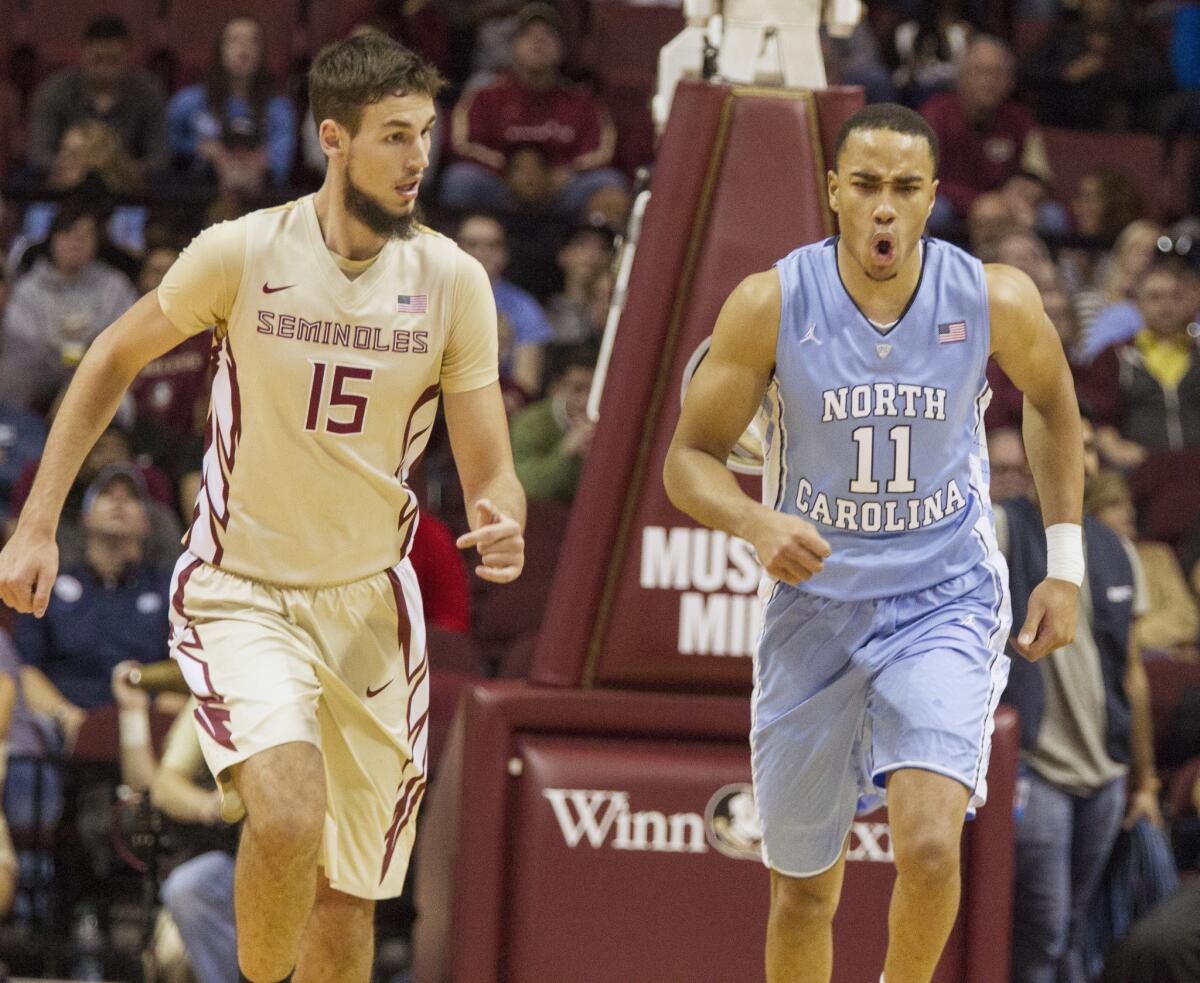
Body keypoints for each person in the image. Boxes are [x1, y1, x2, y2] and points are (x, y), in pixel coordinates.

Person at [0, 31, 525, 983]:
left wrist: (503, 514)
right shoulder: (244, 251)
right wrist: (38, 521)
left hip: (370, 603)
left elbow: (489, 462)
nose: (419, 158)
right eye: (396, 136)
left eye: (426, 135)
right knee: (286, 816)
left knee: (345, 898)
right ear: (334, 137)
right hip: (243, 591)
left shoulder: (453, 281)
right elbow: (113, 357)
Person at [663, 103, 1084, 983]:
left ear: (933, 196)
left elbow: (1051, 399)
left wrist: (1066, 561)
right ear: (833, 192)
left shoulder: (991, 295)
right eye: (865, 187)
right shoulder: (769, 303)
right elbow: (689, 460)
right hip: (816, 610)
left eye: (903, 188)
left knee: (929, 844)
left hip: (945, 595)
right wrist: (752, 519)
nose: (883, 208)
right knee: (804, 893)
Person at [995, 430, 1161, 983]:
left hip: (1106, 772)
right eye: (1065, 439)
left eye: (1088, 446)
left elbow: (1132, 675)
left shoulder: (1119, 550)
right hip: (1035, 764)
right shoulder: (1003, 527)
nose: (1077, 453)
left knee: (1075, 922)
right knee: (1043, 926)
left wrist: (1145, 781)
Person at [441, 2, 628, 218]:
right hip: (501, 188)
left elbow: (602, 151)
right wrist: (510, 171)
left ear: (562, 49)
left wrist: (563, 172)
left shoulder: (582, 102)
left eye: (548, 35)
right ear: (513, 47)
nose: (538, 41)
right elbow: (463, 144)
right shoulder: (486, 96)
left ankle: (585, 249)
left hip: (562, 190)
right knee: (461, 180)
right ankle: (475, 244)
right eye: (527, 35)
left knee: (609, 183)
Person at [13, 464, 171, 717]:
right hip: (62, 726)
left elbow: (187, 668)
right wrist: (67, 716)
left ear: (146, 523)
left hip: (150, 724)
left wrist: (155, 724)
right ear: (85, 517)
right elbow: (26, 670)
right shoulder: (48, 586)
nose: (119, 499)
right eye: (107, 493)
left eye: (131, 496)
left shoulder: (169, 587)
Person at [0, 202, 138, 414]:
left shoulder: (114, 285)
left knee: (121, 391)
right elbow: (20, 343)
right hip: (39, 376)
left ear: (96, 242)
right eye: (68, 233)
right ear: (52, 239)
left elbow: (126, 337)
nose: (76, 242)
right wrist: (61, 357)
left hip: (98, 374)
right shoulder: (28, 289)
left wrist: (82, 366)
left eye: (85, 235)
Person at [919, 36, 1053, 236]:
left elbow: (1037, 172)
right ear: (961, 76)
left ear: (1010, 81)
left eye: (998, 74)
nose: (988, 82)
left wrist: (1030, 189)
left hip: (1006, 204)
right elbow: (923, 178)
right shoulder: (934, 114)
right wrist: (975, 201)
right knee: (936, 211)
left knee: (1053, 216)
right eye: (980, 72)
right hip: (951, 201)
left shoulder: (1021, 119)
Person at [166, 15, 298, 193]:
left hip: (260, 197)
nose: (243, 49)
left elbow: (281, 161)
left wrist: (256, 163)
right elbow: (166, 142)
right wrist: (202, 150)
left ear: (263, 53)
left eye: (253, 42)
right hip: (197, 195)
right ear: (219, 50)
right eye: (234, 41)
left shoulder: (279, 108)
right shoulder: (188, 101)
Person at [26, 16, 167, 180]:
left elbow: (160, 158)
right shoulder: (55, 91)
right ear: (83, 53)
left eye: (113, 59)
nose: (105, 68)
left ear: (128, 55)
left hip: (127, 193)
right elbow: (39, 155)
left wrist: (129, 169)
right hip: (63, 191)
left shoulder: (149, 92)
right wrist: (71, 166)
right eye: (98, 59)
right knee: (38, 207)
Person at [456, 211, 553, 395]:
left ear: (504, 254)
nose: (481, 253)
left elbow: (525, 385)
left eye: (492, 246)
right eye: (471, 244)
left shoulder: (524, 307)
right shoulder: (427, 297)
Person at [510, 341, 597, 503]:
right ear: (558, 388)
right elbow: (527, 487)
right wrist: (566, 452)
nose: (586, 400)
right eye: (577, 389)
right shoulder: (530, 423)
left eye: (595, 390)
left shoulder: (611, 423)